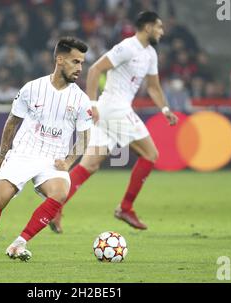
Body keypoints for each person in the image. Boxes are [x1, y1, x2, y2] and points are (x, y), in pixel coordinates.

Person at [0, 37, 91, 262]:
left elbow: (84, 136)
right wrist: (2, 155)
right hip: (23, 153)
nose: (80, 68)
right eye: (75, 62)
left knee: (60, 192)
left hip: (54, 158)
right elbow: (12, 122)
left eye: (82, 63)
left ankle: (19, 243)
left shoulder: (81, 99)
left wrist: (69, 161)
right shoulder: (32, 88)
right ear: (60, 60)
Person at [49, 11, 178, 233]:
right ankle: (125, 207)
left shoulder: (150, 54)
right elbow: (95, 69)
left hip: (112, 112)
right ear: (147, 27)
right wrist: (92, 104)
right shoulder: (127, 47)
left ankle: (54, 206)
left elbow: (154, 87)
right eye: (158, 27)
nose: (162, 31)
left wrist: (165, 108)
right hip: (113, 108)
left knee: (88, 165)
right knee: (151, 154)